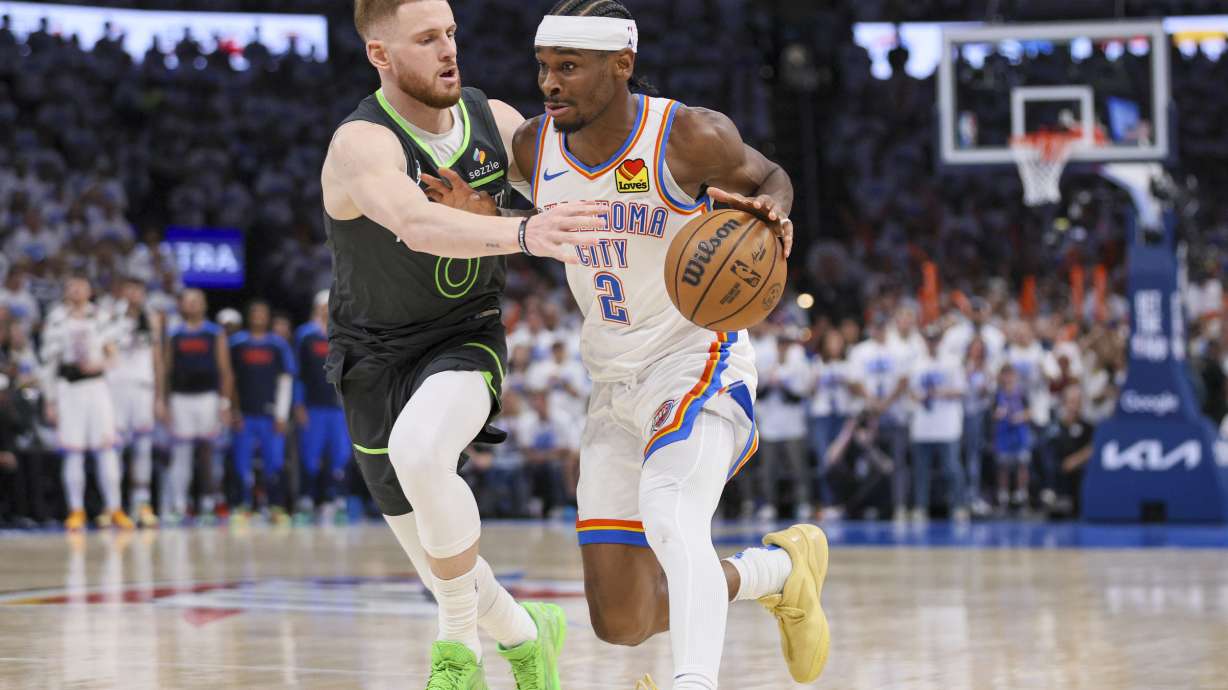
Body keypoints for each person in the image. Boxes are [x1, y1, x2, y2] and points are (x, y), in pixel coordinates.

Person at [431, 3, 830, 687]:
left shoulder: (687, 136)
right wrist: (487, 215)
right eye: (544, 67)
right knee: (623, 618)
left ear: (622, 66)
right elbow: (522, 215)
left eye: (568, 68)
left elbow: (768, 177)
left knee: (672, 514)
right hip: (611, 379)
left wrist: (774, 214)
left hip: (696, 356)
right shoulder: (535, 146)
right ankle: (778, 572)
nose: (550, 83)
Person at [322, 1, 605, 687]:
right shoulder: (363, 143)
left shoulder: (499, 123)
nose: (448, 49)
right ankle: (529, 635)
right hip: (371, 360)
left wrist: (513, 215)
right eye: (425, 39)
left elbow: (579, 193)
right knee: (447, 569)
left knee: (421, 451)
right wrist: (520, 231)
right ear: (380, 55)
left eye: (450, 32)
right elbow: (417, 223)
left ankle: (457, 658)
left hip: (464, 339)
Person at [40, 275, 132, 530]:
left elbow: (114, 356)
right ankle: (76, 509)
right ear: (66, 291)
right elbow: (49, 363)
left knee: (106, 449)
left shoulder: (101, 317)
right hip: (69, 389)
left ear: (90, 290)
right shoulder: (56, 318)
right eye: (72, 287)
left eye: (82, 286)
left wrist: (99, 364)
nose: (77, 291)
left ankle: (115, 508)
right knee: (73, 451)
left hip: (97, 387)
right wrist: (50, 400)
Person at [162, 289, 233, 524]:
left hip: (208, 399)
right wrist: (164, 401)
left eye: (196, 301)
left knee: (209, 453)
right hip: (181, 398)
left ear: (204, 305)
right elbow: (166, 370)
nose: (192, 305)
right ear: (182, 305)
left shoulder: (214, 333)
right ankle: (179, 504)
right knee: (180, 453)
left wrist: (225, 403)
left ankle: (208, 502)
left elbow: (225, 370)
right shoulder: (174, 334)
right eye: (188, 301)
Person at [228, 300, 296, 520]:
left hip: (270, 416)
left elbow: (285, 380)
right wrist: (232, 410)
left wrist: (281, 415)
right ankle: (241, 507)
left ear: (267, 318)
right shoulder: (237, 343)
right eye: (254, 312)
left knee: (274, 463)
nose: (258, 316)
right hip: (244, 415)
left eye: (262, 313)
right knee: (241, 463)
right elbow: (229, 379)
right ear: (249, 316)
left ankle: (275, 507)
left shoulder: (278, 345)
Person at [108, 276, 162, 527]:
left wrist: (160, 396)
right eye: (129, 289)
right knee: (115, 449)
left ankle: (141, 504)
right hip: (116, 387)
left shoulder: (152, 318)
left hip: (143, 388)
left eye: (138, 290)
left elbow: (158, 359)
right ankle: (114, 506)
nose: (134, 294)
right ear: (121, 291)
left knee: (143, 448)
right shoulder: (108, 316)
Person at [294, 290, 352, 522]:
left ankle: (335, 499)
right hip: (313, 406)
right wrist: (298, 404)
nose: (326, 310)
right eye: (322, 306)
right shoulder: (305, 335)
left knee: (340, 455)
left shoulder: (345, 334)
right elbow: (297, 372)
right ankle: (307, 499)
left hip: (338, 407)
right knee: (310, 455)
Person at [907, 326, 968, 522]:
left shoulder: (952, 361)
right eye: (929, 339)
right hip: (922, 425)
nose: (932, 343)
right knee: (921, 470)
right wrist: (916, 396)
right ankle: (920, 507)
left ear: (940, 341)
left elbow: (961, 390)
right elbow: (908, 391)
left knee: (951, 468)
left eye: (935, 339)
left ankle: (958, 505)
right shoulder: (916, 363)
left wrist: (939, 393)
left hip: (946, 425)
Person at [993, 363, 1032, 510]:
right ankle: (1003, 495)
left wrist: (1021, 416)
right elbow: (993, 414)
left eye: (1011, 374)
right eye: (1005, 374)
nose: (1008, 378)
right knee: (1003, 467)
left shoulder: (1022, 393)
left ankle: (1022, 494)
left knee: (1022, 465)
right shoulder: (997, 394)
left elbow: (1030, 412)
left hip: (1019, 435)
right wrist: (998, 415)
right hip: (1003, 436)